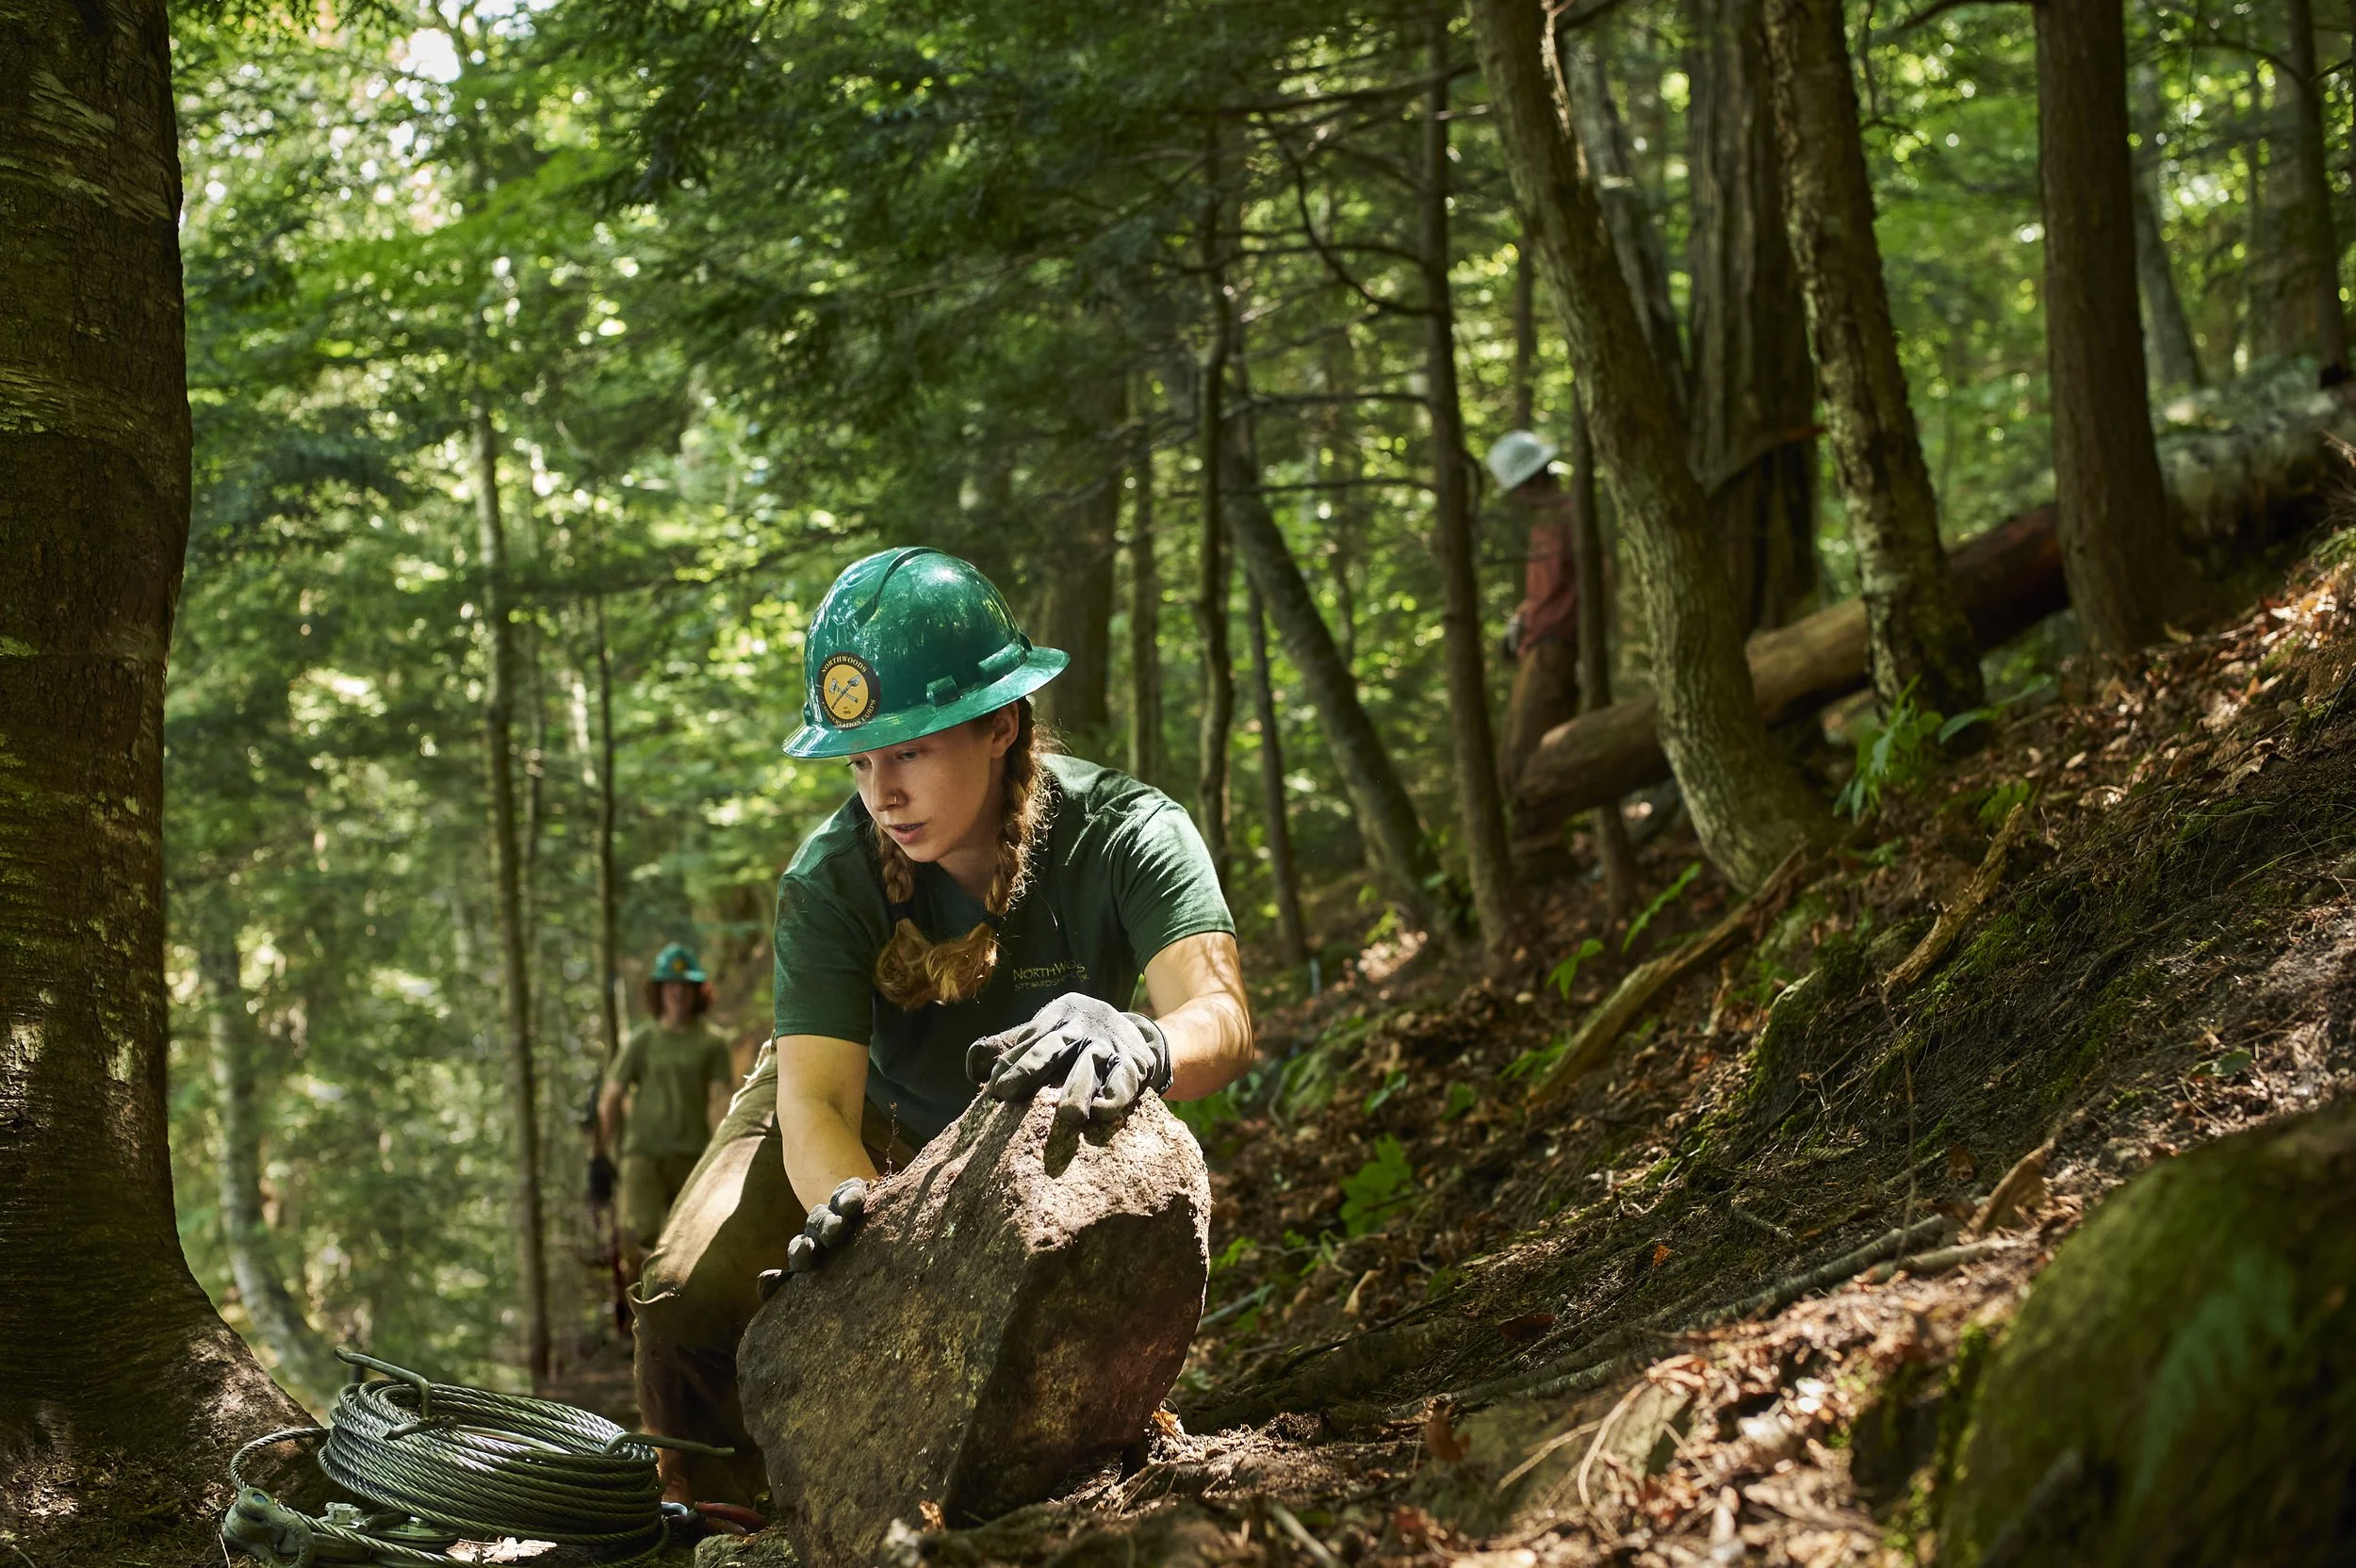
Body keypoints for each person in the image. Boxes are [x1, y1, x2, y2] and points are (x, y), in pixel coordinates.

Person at [630, 547, 1255, 1504]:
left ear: (1000, 721)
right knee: (683, 1307)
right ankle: (728, 1518)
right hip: (858, 1108)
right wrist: (867, 1218)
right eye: (862, 759)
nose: (883, 791)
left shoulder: (1128, 830)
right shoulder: (830, 876)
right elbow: (814, 1099)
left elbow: (1222, 1020)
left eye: (912, 749)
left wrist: (1144, 1040)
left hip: (1037, 1129)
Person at [592, 944, 737, 1285]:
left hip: (692, 1156)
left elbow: (718, 1100)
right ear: (659, 991)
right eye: (671, 985)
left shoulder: (712, 1043)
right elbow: (611, 1095)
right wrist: (599, 1152)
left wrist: (726, 1154)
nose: (678, 993)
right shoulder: (642, 1041)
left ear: (697, 992)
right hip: (643, 1156)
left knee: (692, 1241)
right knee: (639, 1239)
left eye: (686, 986)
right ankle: (637, 1319)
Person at [1486, 430, 1583, 780]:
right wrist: (1520, 619)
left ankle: (1540, 835)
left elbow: (1556, 596)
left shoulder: (1561, 523)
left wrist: (1531, 627)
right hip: (1543, 647)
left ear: (1529, 484)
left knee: (1524, 762)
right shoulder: (1552, 523)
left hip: (1552, 649)